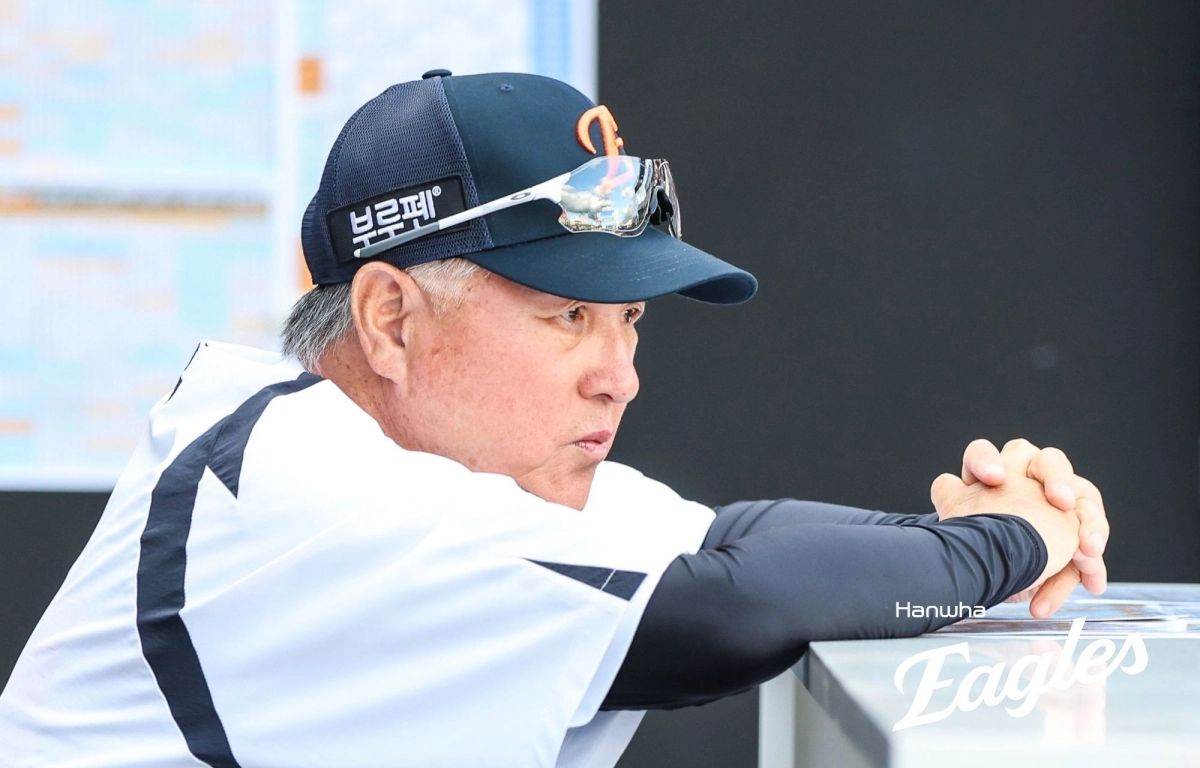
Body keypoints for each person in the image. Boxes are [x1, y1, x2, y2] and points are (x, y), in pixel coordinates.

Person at [0, 71, 1109, 767]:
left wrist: (988, 530)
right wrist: (1015, 539)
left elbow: (738, 541)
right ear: (389, 319)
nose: (619, 377)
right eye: (569, 315)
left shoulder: (462, 480)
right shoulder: (296, 480)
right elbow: (730, 611)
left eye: (630, 321)